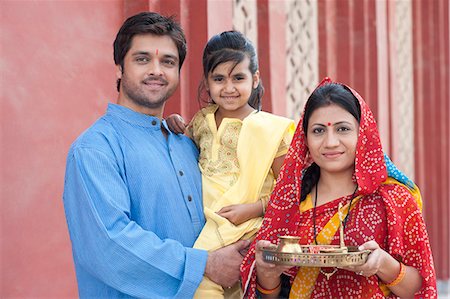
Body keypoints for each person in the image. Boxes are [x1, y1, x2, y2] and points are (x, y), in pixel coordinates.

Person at [62, 12, 249, 298]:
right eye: (142, 59)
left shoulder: (187, 143)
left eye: (168, 62)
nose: (156, 70)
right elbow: (110, 245)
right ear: (118, 68)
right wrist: (204, 265)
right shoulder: (96, 149)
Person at [241, 78, 437, 298]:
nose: (330, 142)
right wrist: (267, 277)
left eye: (343, 129)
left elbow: (420, 288)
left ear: (363, 133)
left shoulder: (394, 199)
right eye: (318, 131)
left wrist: (383, 263)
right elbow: (269, 294)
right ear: (304, 138)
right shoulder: (290, 201)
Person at [166, 31, 295, 298]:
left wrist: (251, 209)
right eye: (219, 79)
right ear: (207, 82)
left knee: (201, 284)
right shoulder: (201, 122)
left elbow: (291, 195)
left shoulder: (273, 130)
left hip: (247, 225)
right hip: (207, 224)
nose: (228, 88)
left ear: (255, 79)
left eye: (238, 78)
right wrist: (172, 124)